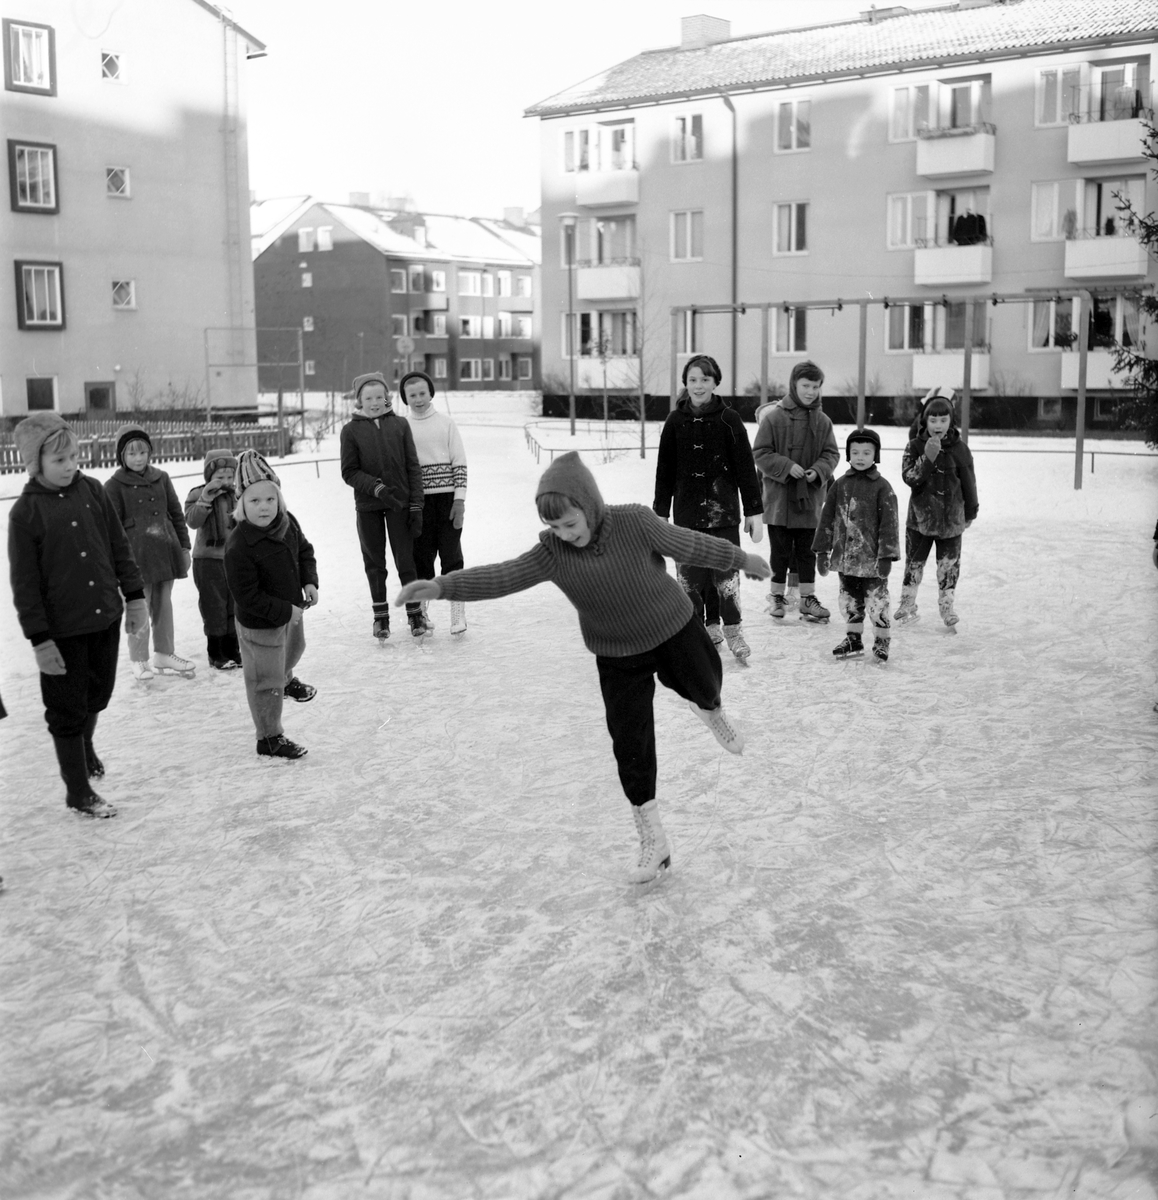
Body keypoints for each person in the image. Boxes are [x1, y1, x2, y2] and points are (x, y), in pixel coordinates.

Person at [396, 451, 771, 884]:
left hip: (672, 626)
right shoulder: (552, 552)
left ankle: (710, 710)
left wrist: (741, 560)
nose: (563, 533)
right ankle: (653, 837)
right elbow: (502, 576)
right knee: (629, 744)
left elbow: (690, 544)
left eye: (569, 523)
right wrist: (442, 586)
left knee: (705, 683)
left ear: (590, 507)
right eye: (554, 526)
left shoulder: (635, 521)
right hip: (616, 653)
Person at [7, 413, 148, 817]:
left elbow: (118, 546)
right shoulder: (25, 514)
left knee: (97, 695)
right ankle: (78, 790)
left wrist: (135, 597)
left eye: (72, 456)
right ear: (35, 465)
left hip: (105, 615)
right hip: (62, 631)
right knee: (66, 710)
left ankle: (85, 745)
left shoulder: (92, 491)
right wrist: (40, 640)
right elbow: (25, 586)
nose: (70, 466)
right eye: (59, 461)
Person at [652, 355, 763, 662]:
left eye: (704, 379)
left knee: (726, 578)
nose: (698, 386)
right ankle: (697, 633)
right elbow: (665, 470)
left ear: (716, 382)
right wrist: (660, 511)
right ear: (685, 384)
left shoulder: (729, 420)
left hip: (723, 513)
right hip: (686, 515)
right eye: (692, 380)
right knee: (689, 580)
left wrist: (754, 510)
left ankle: (733, 631)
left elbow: (745, 468)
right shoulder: (675, 422)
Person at [224, 450, 319, 760]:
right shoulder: (239, 546)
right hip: (260, 625)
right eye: (254, 501)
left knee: (294, 650)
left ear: (279, 499)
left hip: (290, 612)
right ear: (241, 505)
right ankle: (269, 737)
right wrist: (285, 612)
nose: (263, 507)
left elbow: (305, 551)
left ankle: (286, 677)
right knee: (264, 681)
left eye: (269, 499)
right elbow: (247, 597)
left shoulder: (288, 523)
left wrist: (309, 581)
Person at [103, 424, 193, 680]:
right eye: (131, 454)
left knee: (164, 605)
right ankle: (139, 659)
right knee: (139, 608)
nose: (138, 458)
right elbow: (111, 528)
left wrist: (184, 546)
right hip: (136, 559)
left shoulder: (161, 477)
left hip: (165, 551)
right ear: (122, 456)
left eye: (142, 452)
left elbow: (176, 514)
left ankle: (164, 653)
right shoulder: (114, 486)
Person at [752, 360, 840, 622]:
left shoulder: (823, 421)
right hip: (779, 500)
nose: (811, 391)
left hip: (808, 500)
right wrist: (786, 466)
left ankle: (807, 599)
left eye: (815, 386)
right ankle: (777, 597)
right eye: (806, 385)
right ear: (794, 384)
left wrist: (818, 470)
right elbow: (761, 452)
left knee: (806, 551)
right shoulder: (775, 418)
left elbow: (831, 453)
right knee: (779, 551)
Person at [339, 371, 425, 640]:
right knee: (375, 563)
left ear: (387, 398)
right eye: (368, 398)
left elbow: (413, 466)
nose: (374, 402)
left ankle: (415, 615)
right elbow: (349, 471)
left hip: (399, 504)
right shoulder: (350, 431)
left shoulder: (400, 425)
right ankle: (380, 619)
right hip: (368, 507)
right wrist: (376, 488)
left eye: (379, 397)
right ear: (359, 402)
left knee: (405, 560)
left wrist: (416, 506)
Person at [813, 429, 900, 663]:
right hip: (845, 560)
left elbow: (889, 524)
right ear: (848, 454)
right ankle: (853, 638)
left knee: (876, 600)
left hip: (871, 561)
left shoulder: (883, 487)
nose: (860, 457)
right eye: (855, 452)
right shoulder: (840, 485)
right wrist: (822, 551)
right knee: (849, 600)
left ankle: (882, 639)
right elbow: (827, 519)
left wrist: (886, 556)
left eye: (866, 452)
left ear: (876, 455)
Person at [896, 387, 979, 629]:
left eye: (944, 419)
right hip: (920, 520)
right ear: (925, 421)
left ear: (951, 421)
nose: (938, 424)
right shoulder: (914, 446)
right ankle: (907, 602)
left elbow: (969, 482)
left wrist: (971, 511)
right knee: (914, 563)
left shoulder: (960, 449)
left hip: (952, 520)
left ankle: (947, 606)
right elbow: (909, 477)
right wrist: (927, 459)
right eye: (933, 420)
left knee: (949, 566)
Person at [399, 370, 469, 637]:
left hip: (447, 500)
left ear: (431, 393)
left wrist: (459, 500)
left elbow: (459, 462)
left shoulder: (446, 424)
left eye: (422, 393)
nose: (418, 399)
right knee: (422, 558)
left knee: (451, 556)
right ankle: (422, 613)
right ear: (405, 398)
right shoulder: (403, 427)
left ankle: (457, 612)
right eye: (411, 395)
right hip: (418, 501)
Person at [185, 448, 242, 670]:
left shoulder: (239, 495)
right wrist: (206, 498)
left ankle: (232, 649)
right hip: (208, 560)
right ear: (209, 478)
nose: (226, 482)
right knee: (214, 606)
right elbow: (192, 521)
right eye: (220, 478)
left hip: (234, 559)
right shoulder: (197, 494)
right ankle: (216, 652)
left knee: (233, 605)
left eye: (230, 477)